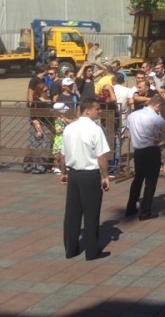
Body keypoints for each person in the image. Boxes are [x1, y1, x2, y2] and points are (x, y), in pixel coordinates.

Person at [60, 97, 111, 261]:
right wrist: (105, 176)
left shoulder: (69, 128)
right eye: (97, 108)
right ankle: (91, 251)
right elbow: (101, 156)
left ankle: (71, 249)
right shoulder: (95, 129)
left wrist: (64, 173)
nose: (100, 111)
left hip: (73, 173)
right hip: (89, 174)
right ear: (87, 110)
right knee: (91, 213)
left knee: (72, 213)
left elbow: (62, 154)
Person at [124, 95, 165, 220]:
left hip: (138, 151)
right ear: (158, 105)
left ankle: (130, 207)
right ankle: (145, 211)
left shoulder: (132, 115)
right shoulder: (156, 118)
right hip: (151, 150)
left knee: (138, 179)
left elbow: (128, 131)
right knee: (151, 181)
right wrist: (161, 139)